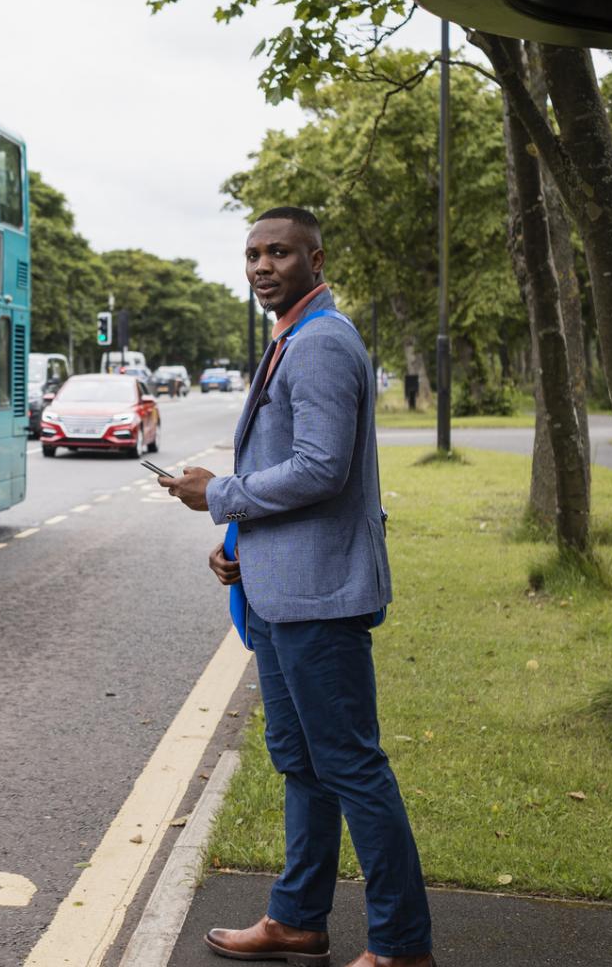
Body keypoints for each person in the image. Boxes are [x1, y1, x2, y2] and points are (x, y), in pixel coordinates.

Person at [160, 207, 434, 967]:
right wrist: (240, 547)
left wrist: (220, 495)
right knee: (303, 763)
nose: (261, 266)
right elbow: (290, 472)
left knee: (351, 766)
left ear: (316, 260)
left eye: (278, 252)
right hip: (282, 591)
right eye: (252, 254)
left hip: (320, 599)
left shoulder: (320, 343)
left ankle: (402, 947)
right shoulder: (290, 338)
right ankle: (297, 919)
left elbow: (321, 468)